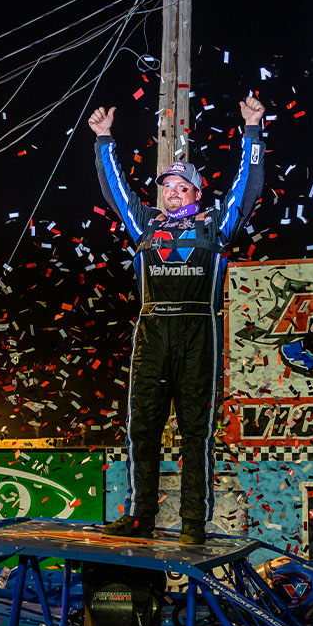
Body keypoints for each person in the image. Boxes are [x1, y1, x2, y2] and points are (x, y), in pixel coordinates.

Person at [89, 96, 265, 545]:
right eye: (167, 185)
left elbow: (248, 185)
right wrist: (104, 139)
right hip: (150, 334)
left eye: (181, 187)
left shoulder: (215, 225)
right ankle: (140, 517)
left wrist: (251, 130)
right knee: (141, 429)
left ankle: (192, 524)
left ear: (197, 193)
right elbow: (115, 189)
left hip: (196, 334)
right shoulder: (145, 223)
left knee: (196, 433)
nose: (172, 191)